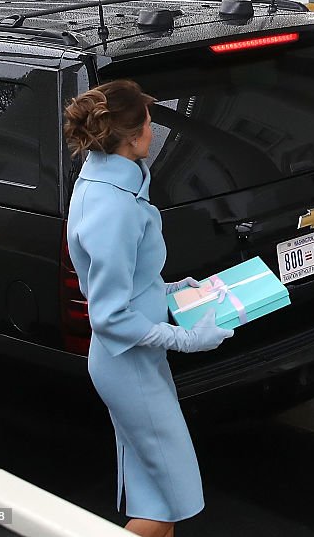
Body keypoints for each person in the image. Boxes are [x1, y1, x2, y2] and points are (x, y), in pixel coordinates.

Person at [64, 80, 233, 537]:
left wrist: (172, 290)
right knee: (167, 507)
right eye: (149, 121)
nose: (154, 129)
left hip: (133, 363)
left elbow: (128, 283)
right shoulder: (114, 207)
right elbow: (109, 315)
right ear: (133, 135)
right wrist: (189, 340)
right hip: (128, 369)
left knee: (155, 499)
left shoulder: (104, 177)